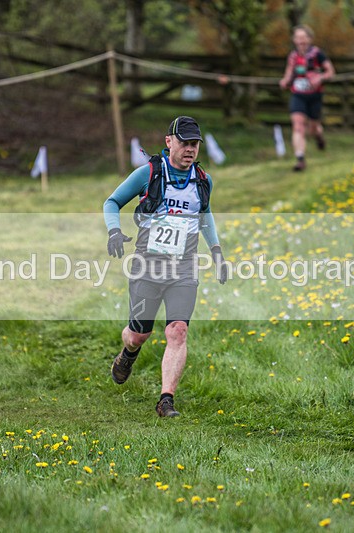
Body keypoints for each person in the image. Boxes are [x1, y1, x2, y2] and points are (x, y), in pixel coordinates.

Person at [103, 115, 227, 418]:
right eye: (184, 142)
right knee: (138, 335)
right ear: (169, 141)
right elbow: (111, 202)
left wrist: (216, 250)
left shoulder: (202, 180)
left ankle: (166, 399)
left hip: (183, 267)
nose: (190, 149)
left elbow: (205, 214)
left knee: (178, 330)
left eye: (195, 144)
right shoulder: (148, 174)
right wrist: (114, 231)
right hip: (148, 266)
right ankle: (128, 354)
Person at [279, 25, 336, 172]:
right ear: (294, 40)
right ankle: (300, 159)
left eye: (303, 37)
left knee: (313, 129)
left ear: (309, 39)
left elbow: (330, 72)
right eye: (297, 38)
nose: (300, 41)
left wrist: (320, 77)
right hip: (298, 95)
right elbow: (288, 73)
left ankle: (319, 136)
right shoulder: (293, 56)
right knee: (298, 125)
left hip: (315, 96)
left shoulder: (317, 54)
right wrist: (284, 81)